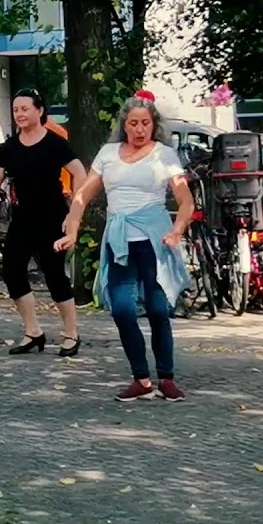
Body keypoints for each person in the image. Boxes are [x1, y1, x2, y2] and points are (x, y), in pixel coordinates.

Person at [56, 96, 193, 402]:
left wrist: (177, 230)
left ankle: (166, 378)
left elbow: (185, 200)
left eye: (145, 123)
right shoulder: (108, 154)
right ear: (124, 125)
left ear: (153, 125)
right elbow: (82, 196)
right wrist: (73, 229)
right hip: (119, 242)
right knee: (121, 309)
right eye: (133, 123)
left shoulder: (164, 155)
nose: (139, 129)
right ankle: (141, 379)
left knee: (158, 310)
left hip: (155, 241)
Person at [0, 88, 86, 357]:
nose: (19, 114)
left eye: (25, 109)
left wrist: (73, 213)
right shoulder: (10, 147)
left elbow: (80, 173)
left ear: (39, 110)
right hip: (22, 218)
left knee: (54, 275)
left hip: (53, 217)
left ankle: (71, 333)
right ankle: (33, 331)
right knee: (12, 272)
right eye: (15, 110)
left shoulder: (55, 143)